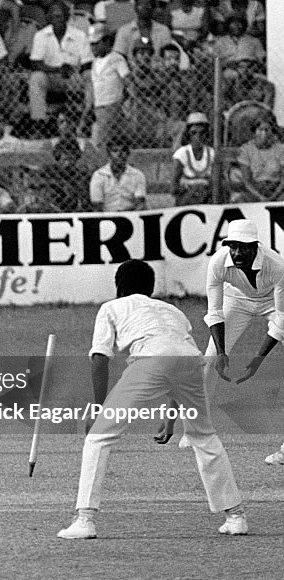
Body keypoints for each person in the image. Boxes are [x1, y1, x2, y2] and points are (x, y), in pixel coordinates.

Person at [57, 259, 247, 539]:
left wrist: (99, 409)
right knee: (204, 437)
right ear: (150, 287)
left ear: (118, 286)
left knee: (98, 437)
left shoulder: (111, 307)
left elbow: (100, 358)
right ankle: (236, 516)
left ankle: (84, 520)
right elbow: (177, 357)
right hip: (192, 363)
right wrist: (172, 420)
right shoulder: (172, 310)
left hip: (151, 361)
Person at [195, 219, 284, 466]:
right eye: (232, 246)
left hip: (272, 303)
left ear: (256, 246)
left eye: (243, 247)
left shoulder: (276, 265)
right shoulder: (217, 262)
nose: (237, 253)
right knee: (209, 359)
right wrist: (222, 353)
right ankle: (196, 429)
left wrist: (257, 360)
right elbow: (214, 311)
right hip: (238, 301)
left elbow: (282, 319)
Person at [27, 3, 92, 134]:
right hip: (50, 77)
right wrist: (58, 70)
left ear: (67, 17)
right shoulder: (40, 35)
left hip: (74, 77)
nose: (58, 20)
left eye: (61, 17)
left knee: (90, 75)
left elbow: (87, 63)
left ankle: (88, 119)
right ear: (49, 18)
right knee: (36, 78)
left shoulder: (80, 35)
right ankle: (39, 123)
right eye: (55, 17)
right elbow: (35, 63)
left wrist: (75, 71)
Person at [233, 117, 284, 203]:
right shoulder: (246, 149)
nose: (264, 133)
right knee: (240, 199)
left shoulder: (281, 149)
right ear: (254, 132)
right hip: (255, 190)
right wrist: (260, 197)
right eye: (260, 129)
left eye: (267, 130)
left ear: (272, 132)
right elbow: (247, 181)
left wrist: (273, 196)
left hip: (276, 189)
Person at [89, 137, 147, 211]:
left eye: (123, 150)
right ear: (109, 154)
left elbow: (140, 203)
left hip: (131, 215)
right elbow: (97, 204)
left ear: (128, 153)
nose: (120, 154)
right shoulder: (99, 175)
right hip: (107, 216)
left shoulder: (137, 175)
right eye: (115, 151)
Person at [172, 112, 216, 205]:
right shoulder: (181, 154)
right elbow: (174, 187)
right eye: (194, 133)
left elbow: (215, 182)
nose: (198, 137)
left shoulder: (212, 153)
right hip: (187, 197)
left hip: (207, 196)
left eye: (202, 133)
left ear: (207, 134)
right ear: (188, 134)